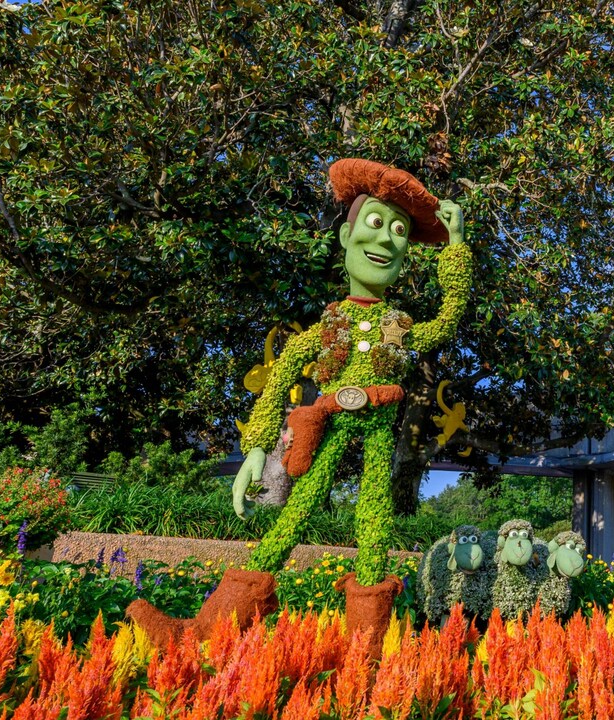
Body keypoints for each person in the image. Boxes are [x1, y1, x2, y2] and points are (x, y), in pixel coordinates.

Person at [127, 159, 472, 650]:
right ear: (346, 239)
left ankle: (365, 652)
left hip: (377, 433)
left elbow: (446, 321)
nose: (388, 239)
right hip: (329, 427)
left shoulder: (402, 327)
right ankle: (206, 634)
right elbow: (279, 381)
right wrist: (255, 451)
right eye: (376, 223)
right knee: (292, 517)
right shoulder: (322, 331)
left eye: (399, 231)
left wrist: (455, 247)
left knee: (373, 526)